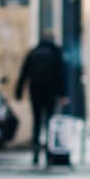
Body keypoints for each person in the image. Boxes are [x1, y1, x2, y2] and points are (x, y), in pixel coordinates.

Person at [16, 32, 68, 165]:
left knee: (37, 122)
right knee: (50, 123)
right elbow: (61, 74)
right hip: (51, 93)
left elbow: (24, 72)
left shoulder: (34, 52)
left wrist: (19, 91)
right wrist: (63, 94)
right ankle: (49, 153)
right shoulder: (56, 53)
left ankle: (36, 152)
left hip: (35, 92)